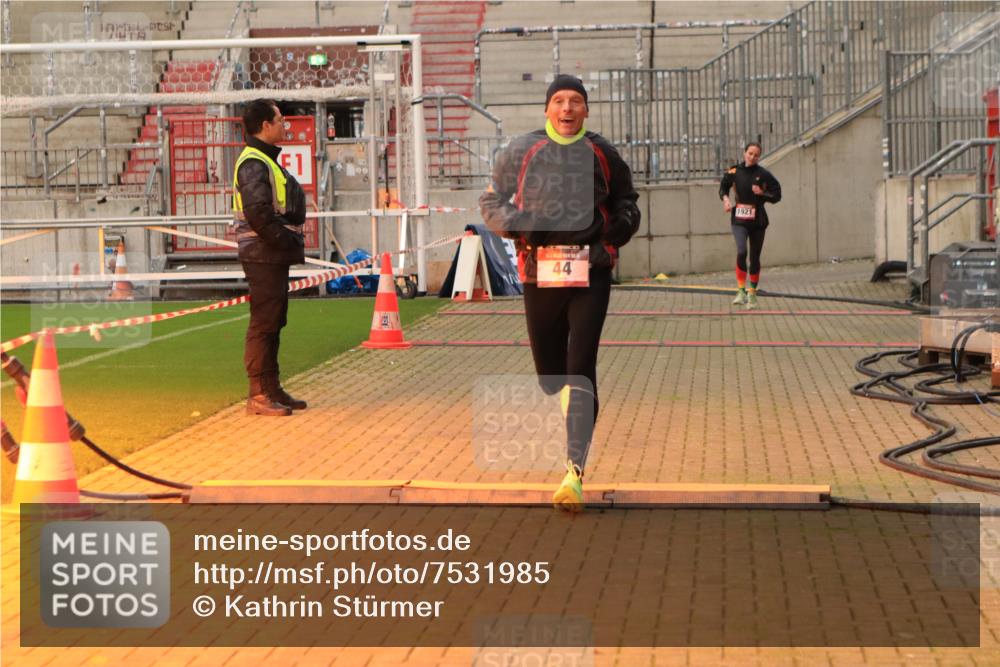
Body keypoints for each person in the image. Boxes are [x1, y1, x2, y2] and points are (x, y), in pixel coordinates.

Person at [480, 74, 640, 511]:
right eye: (559, 101)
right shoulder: (521, 150)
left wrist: (617, 230)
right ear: (547, 109)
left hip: (593, 272)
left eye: (576, 101)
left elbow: (629, 200)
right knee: (552, 378)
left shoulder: (602, 152)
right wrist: (523, 227)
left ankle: (574, 473)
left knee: (580, 367)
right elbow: (492, 202)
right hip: (540, 274)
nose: (567, 108)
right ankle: (567, 403)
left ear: (586, 110)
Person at [233, 99, 309, 416]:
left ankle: (271, 388)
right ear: (265, 125)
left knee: (274, 321)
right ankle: (259, 394)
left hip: (269, 252)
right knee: (264, 323)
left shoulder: (262, 159)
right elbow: (259, 214)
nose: (284, 125)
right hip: (263, 253)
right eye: (279, 119)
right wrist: (285, 239)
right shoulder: (253, 163)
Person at [719, 142, 781, 310]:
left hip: (758, 221)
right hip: (739, 219)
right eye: (750, 153)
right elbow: (723, 187)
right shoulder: (734, 171)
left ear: (759, 157)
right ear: (744, 152)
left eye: (756, 155)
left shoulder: (764, 174)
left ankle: (752, 293)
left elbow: (777, 195)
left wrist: (763, 194)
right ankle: (741, 291)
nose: (752, 157)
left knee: (754, 258)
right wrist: (725, 199)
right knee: (741, 251)